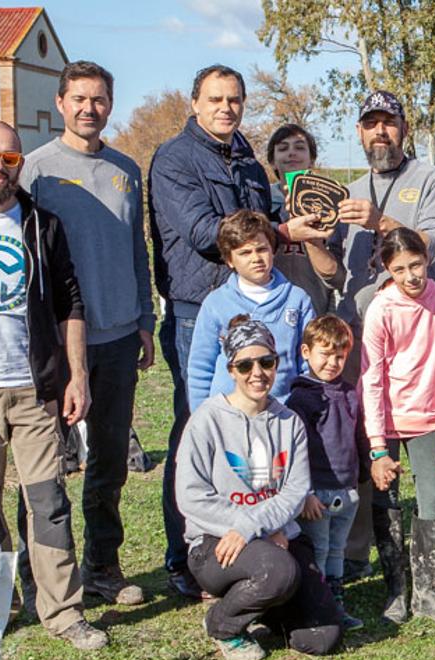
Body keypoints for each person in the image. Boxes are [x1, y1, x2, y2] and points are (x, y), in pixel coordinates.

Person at [150, 65, 325, 598]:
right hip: (198, 307)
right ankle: (191, 555)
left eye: (234, 99)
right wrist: (278, 231)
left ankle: (257, 538)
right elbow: (206, 233)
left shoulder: (246, 155)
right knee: (199, 433)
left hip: (255, 309)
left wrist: (310, 213)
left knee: (257, 435)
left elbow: (268, 207)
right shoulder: (175, 159)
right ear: (195, 102)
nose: (226, 108)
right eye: (216, 99)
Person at [0, 121, 107, 649]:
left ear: (20, 164)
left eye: (8, 159)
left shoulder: (41, 225)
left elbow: (69, 304)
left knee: (48, 499)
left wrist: (76, 376)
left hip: (35, 388)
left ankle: (62, 610)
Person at [21, 61, 156, 607]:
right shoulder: (36, 171)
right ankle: (41, 576)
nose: (88, 108)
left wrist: (146, 317)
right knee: (44, 465)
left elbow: (135, 250)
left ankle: (104, 565)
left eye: (98, 99)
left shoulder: (126, 169)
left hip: (120, 336)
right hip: (57, 344)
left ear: (110, 105)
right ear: (60, 103)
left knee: (107, 461)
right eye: (78, 98)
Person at [334, 91, 435, 587]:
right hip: (363, 336)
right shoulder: (348, 189)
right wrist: (311, 241)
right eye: (370, 123)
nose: (380, 132)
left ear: (403, 127)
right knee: (366, 446)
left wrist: (381, 222)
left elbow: (433, 244)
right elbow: (337, 271)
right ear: (359, 132)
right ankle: (358, 556)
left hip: (421, 333)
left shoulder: (429, 179)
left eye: (388, 123)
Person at [177, 317, 341, 660]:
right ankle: (221, 624)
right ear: (231, 369)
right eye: (245, 364)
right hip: (216, 542)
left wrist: (262, 529)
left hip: (277, 535)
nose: (258, 372)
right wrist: (248, 529)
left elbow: (295, 491)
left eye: (266, 362)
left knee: (321, 637)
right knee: (276, 571)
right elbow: (191, 496)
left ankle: (264, 610)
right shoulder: (207, 420)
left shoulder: (288, 422)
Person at [362, 228, 435, 626]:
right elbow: (371, 378)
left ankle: (428, 593)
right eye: (400, 268)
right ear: (387, 270)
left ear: (428, 259)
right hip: (386, 421)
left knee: (433, 498)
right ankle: (396, 591)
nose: (411, 276)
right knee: (386, 500)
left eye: (417, 265)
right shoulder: (381, 309)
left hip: (430, 418)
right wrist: (376, 446)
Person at [288, 315, 370, 632]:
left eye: (339, 355)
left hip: (346, 488)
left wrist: (365, 470)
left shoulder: (349, 393)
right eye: (325, 354)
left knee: (338, 547)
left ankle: (335, 601)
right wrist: (305, 492)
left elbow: (359, 435)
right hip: (317, 492)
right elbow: (297, 450)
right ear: (306, 352)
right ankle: (317, 604)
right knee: (319, 549)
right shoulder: (301, 399)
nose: (332, 362)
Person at [185, 209, 315, 407]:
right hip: (227, 415)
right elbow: (200, 368)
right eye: (245, 252)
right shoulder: (215, 304)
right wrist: (201, 417)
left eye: (262, 249)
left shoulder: (297, 300)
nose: (256, 258)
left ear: (273, 249)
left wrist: (302, 409)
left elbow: (307, 364)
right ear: (229, 260)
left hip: (282, 413)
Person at [265, 124, 342, 315]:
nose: (292, 153)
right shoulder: (261, 200)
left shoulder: (330, 203)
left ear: (312, 160)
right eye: (283, 148)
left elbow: (338, 277)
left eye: (299, 147)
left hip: (315, 308)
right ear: (272, 161)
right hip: (269, 310)